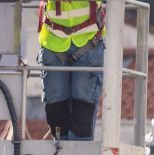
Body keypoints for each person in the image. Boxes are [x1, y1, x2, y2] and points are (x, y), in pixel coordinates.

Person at [38, 0, 106, 141]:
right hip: (54, 41)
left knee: (83, 109)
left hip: (88, 40)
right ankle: (60, 154)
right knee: (56, 108)